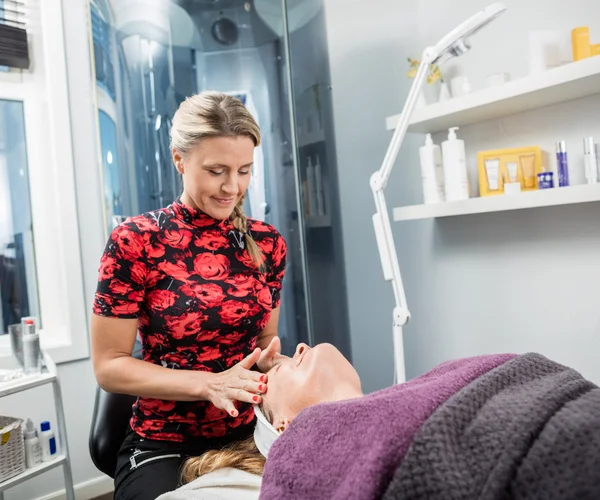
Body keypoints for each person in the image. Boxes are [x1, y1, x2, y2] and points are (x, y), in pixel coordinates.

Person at [90, 91, 287, 500]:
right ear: (180, 159)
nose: (232, 187)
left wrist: (272, 361)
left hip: (249, 437)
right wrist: (208, 384)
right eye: (216, 170)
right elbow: (109, 367)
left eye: (245, 171)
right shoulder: (136, 241)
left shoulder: (268, 244)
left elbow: (265, 341)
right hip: (164, 445)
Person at [161, 344, 600, 500]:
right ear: (286, 428)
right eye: (278, 372)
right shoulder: (306, 452)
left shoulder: (406, 398)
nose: (295, 349)